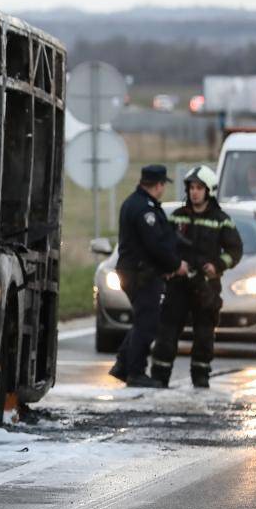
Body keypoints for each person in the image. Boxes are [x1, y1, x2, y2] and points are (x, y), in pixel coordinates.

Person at [151, 166, 243, 389]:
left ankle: (200, 375)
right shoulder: (178, 217)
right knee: (167, 330)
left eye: (199, 188)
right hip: (178, 284)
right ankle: (159, 375)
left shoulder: (222, 220)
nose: (194, 192)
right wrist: (171, 267)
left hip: (206, 285)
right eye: (191, 188)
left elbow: (235, 250)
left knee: (204, 332)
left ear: (208, 190)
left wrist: (218, 265)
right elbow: (165, 246)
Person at [110, 164, 187, 388]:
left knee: (143, 319)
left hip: (137, 271)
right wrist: (176, 264)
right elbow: (155, 245)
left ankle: (123, 364)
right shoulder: (145, 209)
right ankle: (136, 372)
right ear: (159, 184)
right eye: (163, 184)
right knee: (147, 323)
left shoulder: (138, 203)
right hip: (141, 273)